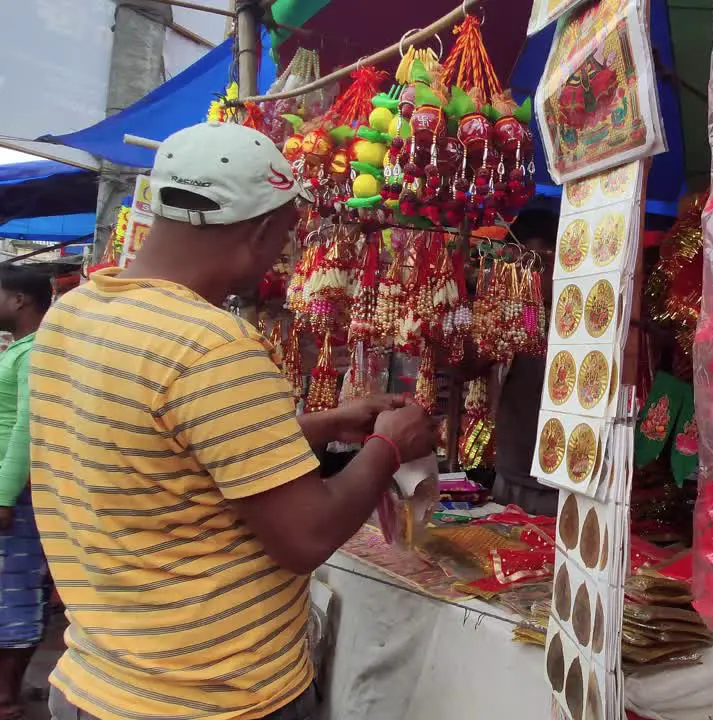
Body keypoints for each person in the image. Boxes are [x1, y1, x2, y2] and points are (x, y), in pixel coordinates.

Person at [29, 122, 439, 720]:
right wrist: (387, 447)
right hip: (210, 698)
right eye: (288, 236)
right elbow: (306, 537)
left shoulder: (73, 314)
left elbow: (161, 455)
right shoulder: (212, 345)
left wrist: (320, 425)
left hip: (97, 678)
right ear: (262, 229)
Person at [0, 267, 51, 720]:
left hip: (16, 496)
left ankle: (7, 699)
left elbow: (26, 427)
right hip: (11, 491)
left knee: (14, 595)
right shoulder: (21, 351)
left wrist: (3, 494)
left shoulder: (35, 354)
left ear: (20, 300)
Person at [489, 208, 559, 516]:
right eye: (514, 264)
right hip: (510, 474)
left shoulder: (577, 323)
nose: (520, 277)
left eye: (532, 265)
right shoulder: (510, 317)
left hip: (557, 487)